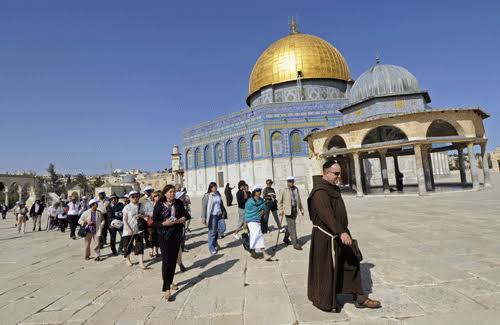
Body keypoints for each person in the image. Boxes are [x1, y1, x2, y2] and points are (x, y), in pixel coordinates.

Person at [308, 160, 381, 312]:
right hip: (327, 237)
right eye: (336, 173)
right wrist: (340, 232)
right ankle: (327, 301)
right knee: (327, 269)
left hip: (340, 233)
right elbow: (327, 215)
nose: (339, 176)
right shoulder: (320, 192)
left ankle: (360, 297)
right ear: (326, 173)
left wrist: (343, 231)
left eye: (340, 173)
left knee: (352, 261)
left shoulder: (332, 188)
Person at [153, 184, 189, 301]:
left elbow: (186, 215)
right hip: (164, 236)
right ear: (165, 193)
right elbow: (154, 222)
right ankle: (167, 288)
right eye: (170, 192)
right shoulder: (159, 204)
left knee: (173, 261)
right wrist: (164, 223)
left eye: (173, 192)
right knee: (166, 261)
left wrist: (182, 219)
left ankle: (169, 281)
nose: (172, 194)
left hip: (176, 235)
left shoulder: (178, 203)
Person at [244, 185, 273, 260]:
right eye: (257, 191)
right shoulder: (249, 202)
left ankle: (252, 252)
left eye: (260, 190)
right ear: (254, 192)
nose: (259, 192)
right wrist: (245, 222)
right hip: (251, 221)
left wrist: (263, 211)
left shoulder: (261, 201)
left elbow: (265, 208)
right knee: (259, 236)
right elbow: (247, 212)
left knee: (255, 237)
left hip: (258, 221)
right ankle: (264, 253)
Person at [122, 191, 147, 269]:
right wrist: (128, 229)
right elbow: (124, 220)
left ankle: (141, 262)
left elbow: (145, 215)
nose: (135, 198)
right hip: (128, 230)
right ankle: (128, 259)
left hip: (138, 229)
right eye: (133, 197)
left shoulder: (141, 206)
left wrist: (141, 216)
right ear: (129, 198)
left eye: (136, 196)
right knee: (128, 245)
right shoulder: (127, 207)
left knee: (140, 245)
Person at [278, 176, 305, 250]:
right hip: (287, 211)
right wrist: (280, 210)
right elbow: (279, 201)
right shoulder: (284, 189)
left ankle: (286, 238)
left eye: (292, 181)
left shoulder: (296, 189)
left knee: (290, 226)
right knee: (292, 226)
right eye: (289, 181)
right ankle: (295, 244)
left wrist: (301, 208)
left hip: (294, 209)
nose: (291, 183)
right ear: (287, 182)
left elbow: (298, 199)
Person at [201, 182, 227, 255]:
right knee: (212, 232)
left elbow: (221, 203)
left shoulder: (218, 194)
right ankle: (211, 247)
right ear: (210, 188)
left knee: (223, 228)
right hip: (212, 215)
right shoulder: (207, 196)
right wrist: (203, 217)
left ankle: (215, 241)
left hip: (219, 214)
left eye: (216, 187)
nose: (215, 188)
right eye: (214, 187)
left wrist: (223, 212)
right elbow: (204, 207)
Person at [174, 191, 188, 272]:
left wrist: (184, 217)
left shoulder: (181, 205)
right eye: (181, 196)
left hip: (179, 229)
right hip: (168, 232)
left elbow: (187, 215)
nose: (183, 197)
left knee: (178, 249)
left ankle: (180, 263)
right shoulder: (166, 205)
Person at [140, 186, 155, 257]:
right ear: (145, 192)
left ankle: (152, 247)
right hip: (145, 218)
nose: (149, 192)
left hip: (152, 218)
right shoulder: (141, 199)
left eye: (150, 191)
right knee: (146, 233)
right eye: (148, 191)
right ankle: (148, 244)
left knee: (152, 233)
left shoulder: (153, 198)